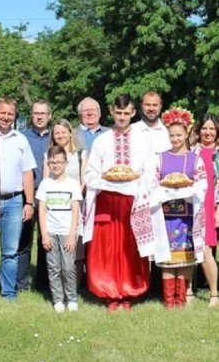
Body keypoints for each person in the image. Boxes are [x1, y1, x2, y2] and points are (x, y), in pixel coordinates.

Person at [82, 94, 167, 310]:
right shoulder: (101, 141)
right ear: (111, 112)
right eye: (118, 113)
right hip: (108, 201)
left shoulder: (143, 140)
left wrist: (138, 181)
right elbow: (91, 173)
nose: (121, 117)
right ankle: (109, 292)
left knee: (131, 247)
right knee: (107, 248)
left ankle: (129, 291)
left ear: (132, 113)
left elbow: (151, 171)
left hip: (133, 201)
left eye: (126, 113)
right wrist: (107, 179)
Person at [153, 109, 207, 309]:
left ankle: (181, 299)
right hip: (166, 216)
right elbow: (153, 182)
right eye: (172, 135)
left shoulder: (195, 159)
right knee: (167, 258)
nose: (175, 139)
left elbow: (202, 184)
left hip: (187, 216)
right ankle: (168, 301)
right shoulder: (161, 158)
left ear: (186, 134)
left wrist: (186, 188)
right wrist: (165, 191)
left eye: (178, 135)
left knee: (185, 258)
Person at [0, 97, 36, 300]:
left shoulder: (20, 139)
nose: (6, 117)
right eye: (3, 113)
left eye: (10, 114)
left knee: (11, 252)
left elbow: (27, 173)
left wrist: (29, 202)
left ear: (15, 116)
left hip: (14, 201)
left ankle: (8, 292)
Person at [43, 118, 88, 291]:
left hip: (76, 206)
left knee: (76, 250)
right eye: (56, 132)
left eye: (63, 131)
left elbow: (84, 180)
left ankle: (73, 289)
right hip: (55, 207)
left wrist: (74, 197)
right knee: (57, 251)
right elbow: (46, 181)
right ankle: (58, 289)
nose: (60, 135)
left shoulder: (80, 154)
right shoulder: (49, 155)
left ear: (70, 133)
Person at [36, 145, 82, 313]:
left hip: (66, 232)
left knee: (68, 267)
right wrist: (44, 235)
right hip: (51, 232)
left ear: (66, 163)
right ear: (48, 164)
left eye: (59, 162)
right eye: (52, 162)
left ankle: (71, 298)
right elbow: (41, 210)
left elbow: (75, 210)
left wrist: (72, 235)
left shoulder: (73, 184)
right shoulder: (45, 184)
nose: (55, 165)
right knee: (53, 267)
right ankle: (57, 300)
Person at [17, 100, 52, 292]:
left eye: (43, 113)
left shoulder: (56, 136)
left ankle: (43, 283)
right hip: (27, 195)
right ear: (31, 115)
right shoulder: (22, 137)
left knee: (45, 241)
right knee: (24, 240)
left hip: (48, 197)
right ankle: (21, 283)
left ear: (49, 115)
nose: (39, 117)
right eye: (36, 113)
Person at [191, 114, 219, 306]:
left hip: (211, 205)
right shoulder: (191, 151)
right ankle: (188, 291)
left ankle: (213, 294)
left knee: (205, 250)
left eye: (212, 128)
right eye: (205, 128)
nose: (208, 132)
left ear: (217, 131)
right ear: (199, 130)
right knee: (189, 249)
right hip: (193, 204)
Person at [130, 90, 171, 154]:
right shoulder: (131, 130)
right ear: (141, 105)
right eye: (147, 105)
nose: (151, 109)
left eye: (155, 105)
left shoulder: (168, 130)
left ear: (160, 106)